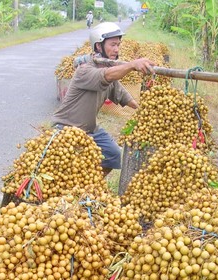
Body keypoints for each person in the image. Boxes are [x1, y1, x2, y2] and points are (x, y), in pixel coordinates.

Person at [52, 22, 154, 176]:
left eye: (118, 45)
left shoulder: (108, 71)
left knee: (113, 154)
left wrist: (144, 111)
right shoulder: (84, 70)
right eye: (112, 45)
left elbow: (124, 96)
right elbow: (106, 76)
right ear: (98, 46)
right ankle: (81, 185)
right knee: (67, 169)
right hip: (66, 128)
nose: (116, 49)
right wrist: (132, 65)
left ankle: (92, 184)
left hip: (90, 129)